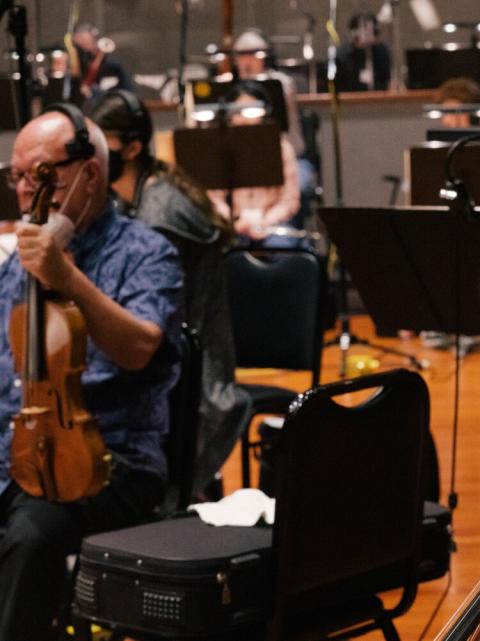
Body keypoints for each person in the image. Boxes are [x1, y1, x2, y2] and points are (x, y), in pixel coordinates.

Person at [0, 107, 183, 639]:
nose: (28, 189)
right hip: (15, 449)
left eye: (42, 174)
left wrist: (67, 276)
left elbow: (140, 349)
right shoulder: (16, 264)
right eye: (17, 176)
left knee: (29, 538)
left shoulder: (147, 253)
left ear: (89, 173)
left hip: (108, 459)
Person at [85, 88, 249, 496]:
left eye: (101, 144)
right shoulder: (138, 196)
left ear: (134, 147)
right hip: (172, 362)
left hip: (194, 382)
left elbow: (150, 327)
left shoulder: (160, 215)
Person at [233, 28, 316, 226]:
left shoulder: (281, 84)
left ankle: (287, 235)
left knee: (301, 186)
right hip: (244, 161)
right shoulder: (230, 89)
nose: (247, 61)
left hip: (290, 156)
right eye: (242, 56)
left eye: (253, 54)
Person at [207, 81, 302, 246]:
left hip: (272, 225)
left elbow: (290, 199)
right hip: (233, 225)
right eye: (238, 111)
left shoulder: (282, 148)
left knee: (281, 248)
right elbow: (214, 199)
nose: (244, 118)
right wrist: (235, 221)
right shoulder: (220, 149)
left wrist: (264, 221)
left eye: (251, 111)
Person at [71, 23, 134, 98]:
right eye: (80, 43)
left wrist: (92, 90)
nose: (83, 46)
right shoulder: (83, 59)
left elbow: (115, 89)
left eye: (86, 41)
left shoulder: (111, 64)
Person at [335, 12, 392, 92]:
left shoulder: (381, 51)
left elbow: (386, 79)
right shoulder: (342, 54)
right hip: (350, 98)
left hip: (377, 98)